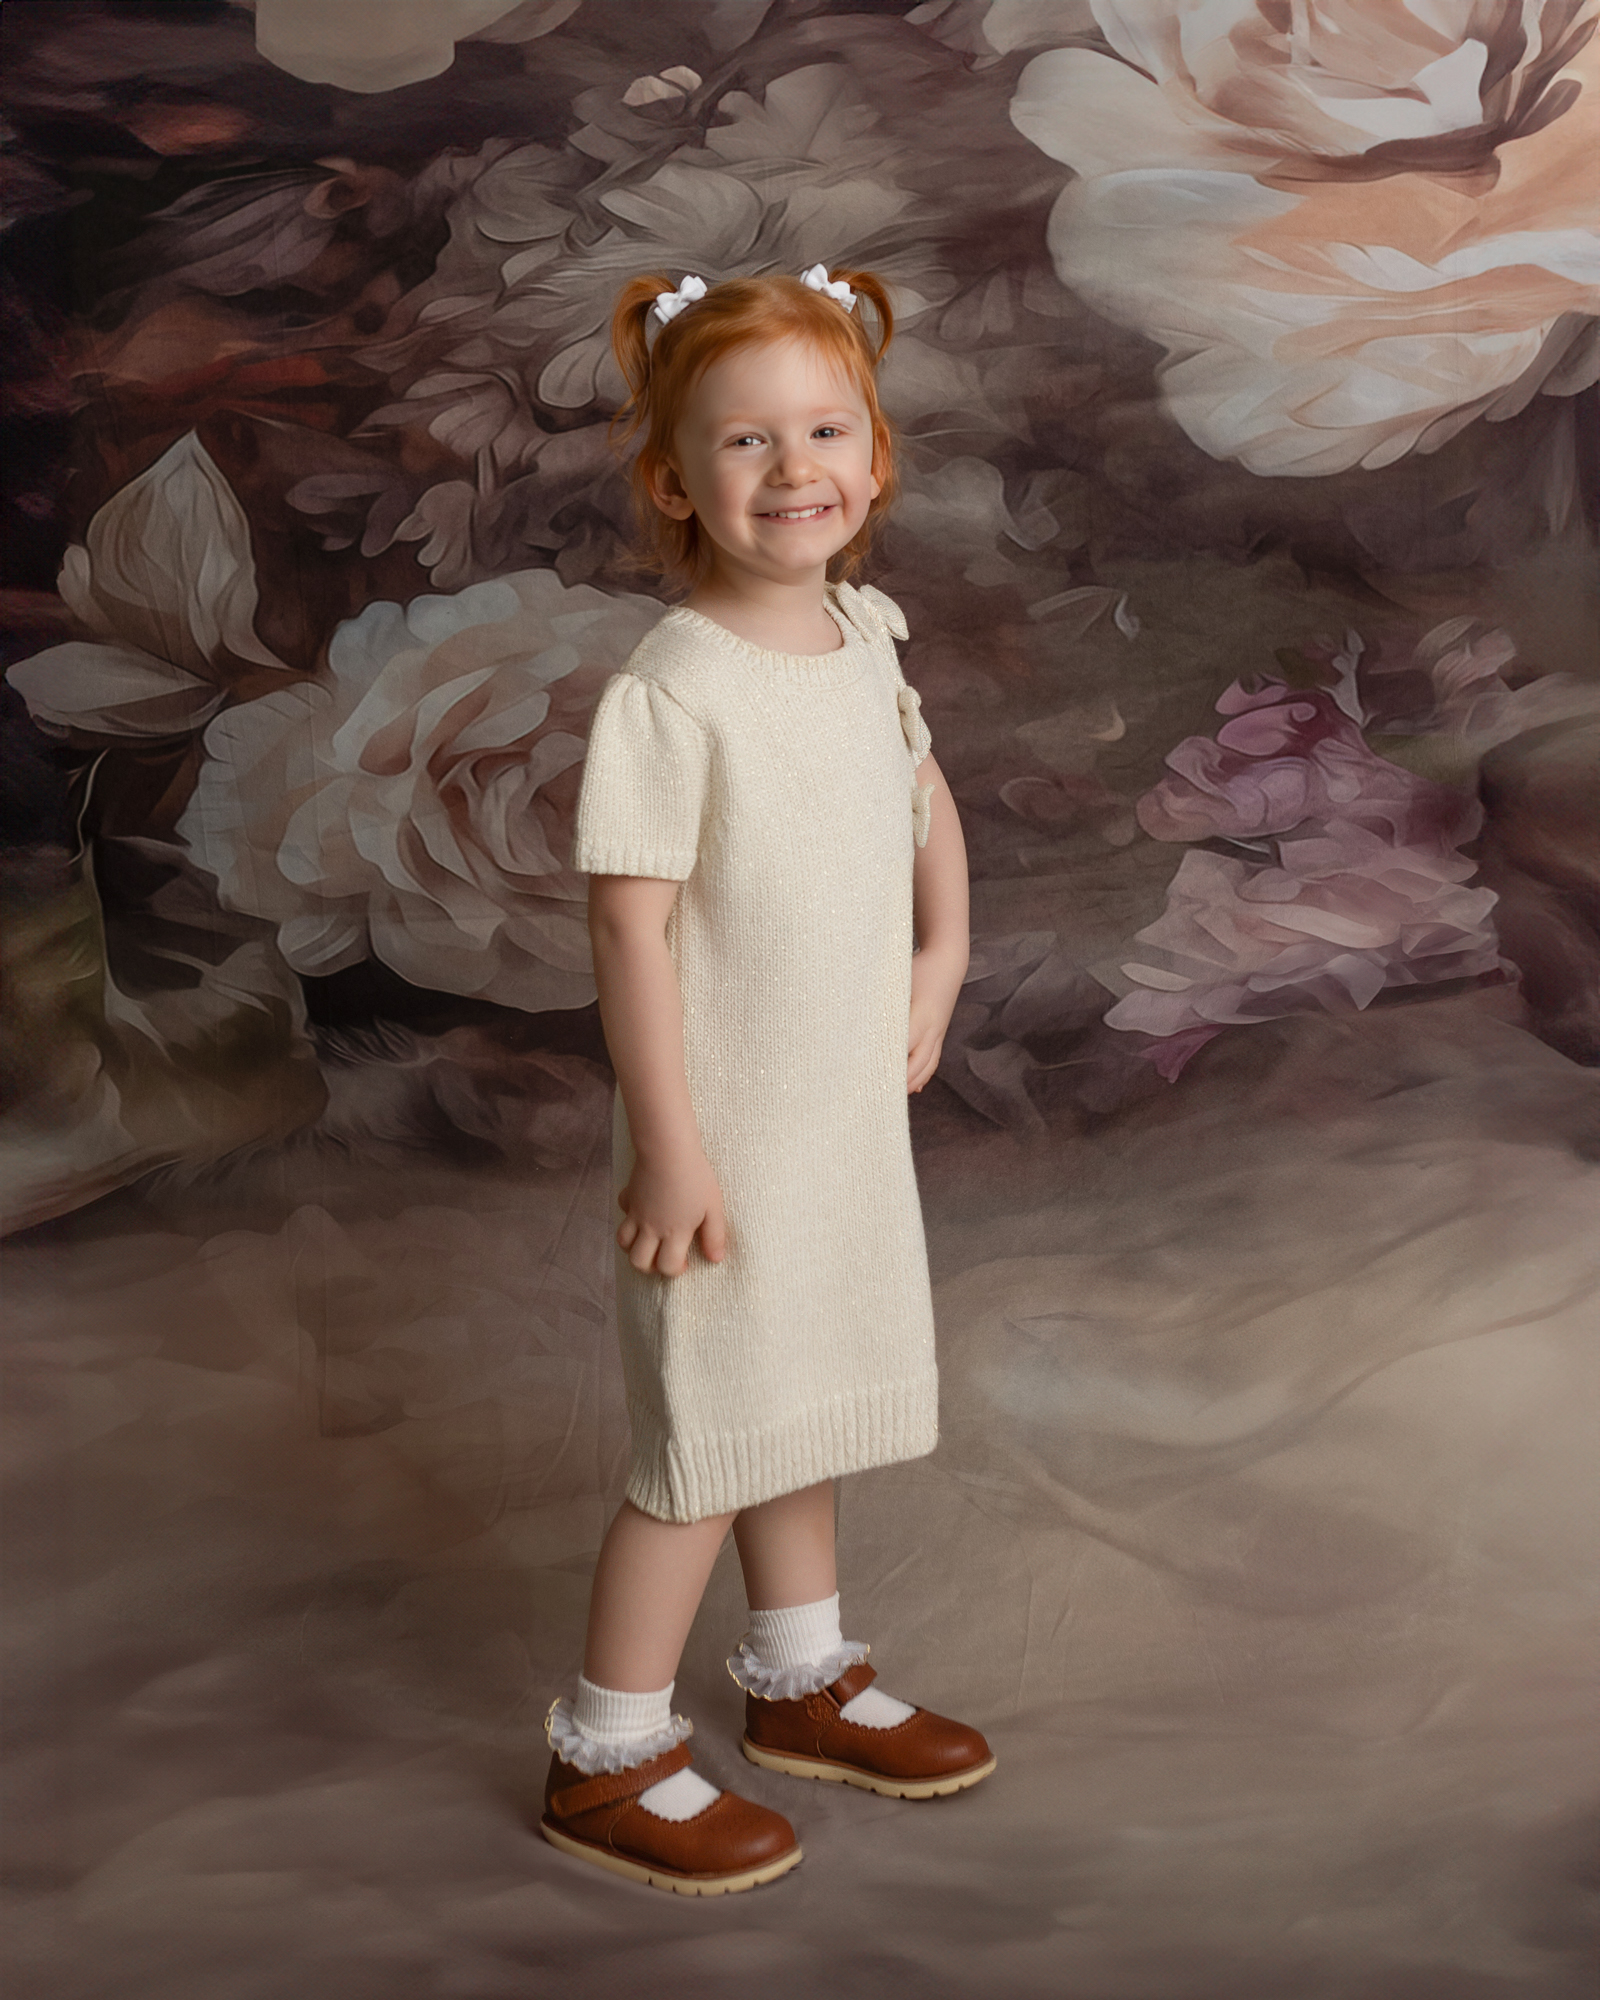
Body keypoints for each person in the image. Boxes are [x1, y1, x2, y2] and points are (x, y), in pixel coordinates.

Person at [540, 265, 992, 1896]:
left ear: (871, 454)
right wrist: (670, 1145)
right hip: (725, 1132)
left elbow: (924, 795)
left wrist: (939, 959)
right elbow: (630, 927)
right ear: (676, 481)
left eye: (824, 429)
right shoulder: (678, 689)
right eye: (746, 441)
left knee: (794, 1404)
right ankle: (609, 1749)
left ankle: (799, 1682)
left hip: (834, 1125)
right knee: (704, 1442)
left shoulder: (865, 632)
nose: (794, 467)